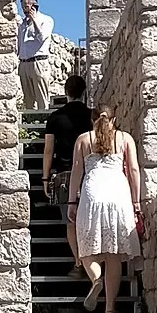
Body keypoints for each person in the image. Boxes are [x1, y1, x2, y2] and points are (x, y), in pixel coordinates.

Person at [69, 105, 143, 313]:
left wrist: (72, 202)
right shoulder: (124, 138)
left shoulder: (83, 139)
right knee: (114, 253)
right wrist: (136, 203)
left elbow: (76, 172)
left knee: (85, 247)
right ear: (114, 119)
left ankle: (96, 279)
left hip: (93, 193)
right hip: (117, 194)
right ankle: (110, 309)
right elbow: (134, 170)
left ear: (91, 119)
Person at [42, 74, 93, 273]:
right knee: (88, 220)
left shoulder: (55, 118)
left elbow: (48, 150)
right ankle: (93, 263)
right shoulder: (91, 116)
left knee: (70, 221)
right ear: (84, 92)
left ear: (66, 93)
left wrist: (45, 178)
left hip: (64, 174)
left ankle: (78, 262)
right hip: (89, 174)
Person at [16, 0, 54, 109]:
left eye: (26, 6)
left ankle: (44, 125)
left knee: (42, 97)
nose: (24, 10)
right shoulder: (22, 24)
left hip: (39, 62)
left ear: (34, 6)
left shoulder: (46, 20)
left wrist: (34, 20)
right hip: (24, 63)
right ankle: (30, 125)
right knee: (28, 99)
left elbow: (42, 37)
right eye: (22, 7)